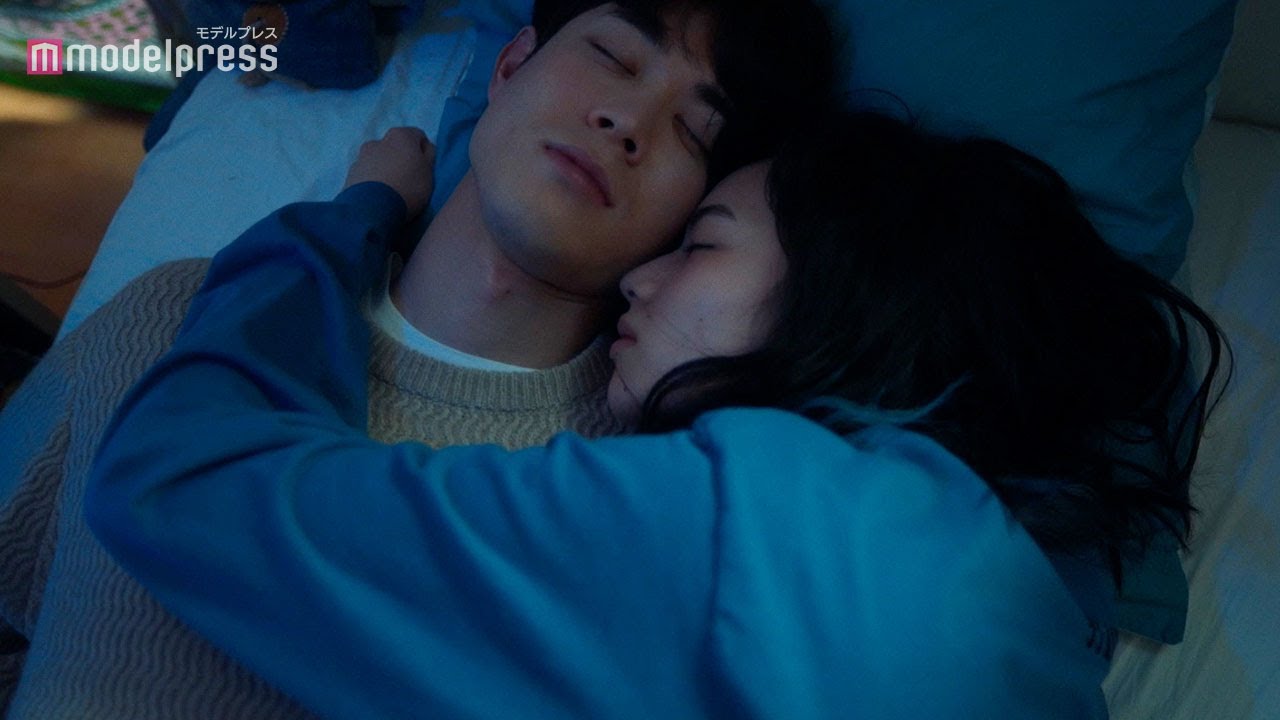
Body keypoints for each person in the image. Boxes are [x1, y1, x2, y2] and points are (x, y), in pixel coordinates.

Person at [85, 110, 1226, 718]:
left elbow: (178, 479)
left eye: (703, 246)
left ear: (846, 294)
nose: (639, 278)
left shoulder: (757, 515)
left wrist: (348, 219)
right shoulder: (1033, 622)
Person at [0, 1, 836, 716]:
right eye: (613, 57)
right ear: (510, 64)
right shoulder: (168, 318)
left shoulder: (636, 505)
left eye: (693, 131)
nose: (628, 122)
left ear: (698, 216)